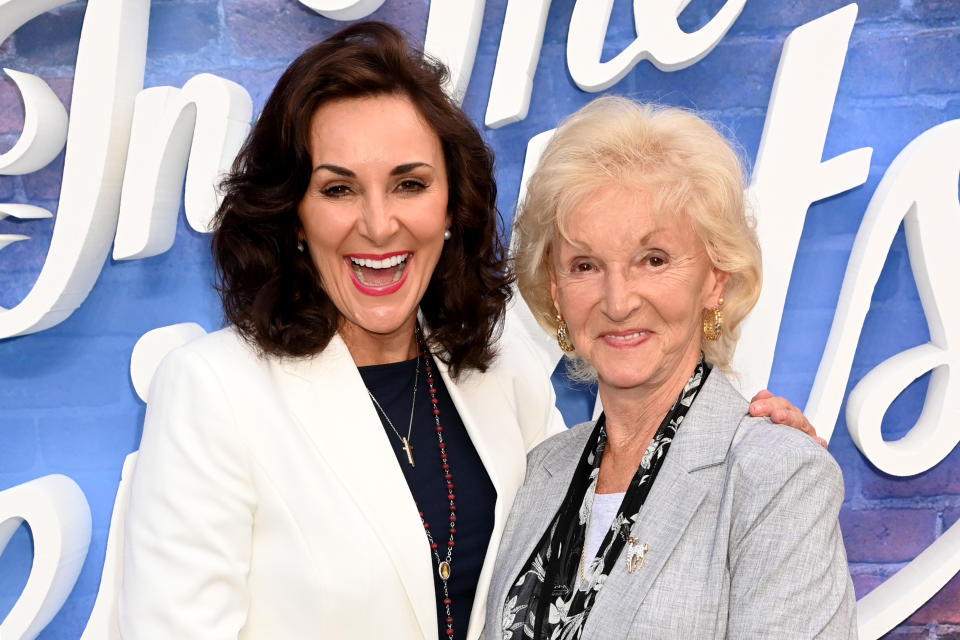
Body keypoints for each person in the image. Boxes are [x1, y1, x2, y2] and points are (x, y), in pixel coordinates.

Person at [118, 23, 825, 640]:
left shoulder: (498, 383)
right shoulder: (216, 392)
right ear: (292, 216)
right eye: (338, 189)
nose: (377, 223)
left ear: (452, 204)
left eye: (409, 183)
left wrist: (760, 455)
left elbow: (625, 511)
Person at [484, 97, 856, 639]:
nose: (618, 300)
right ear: (556, 291)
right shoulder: (539, 475)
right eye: (585, 265)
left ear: (716, 277)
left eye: (653, 259)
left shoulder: (777, 477)